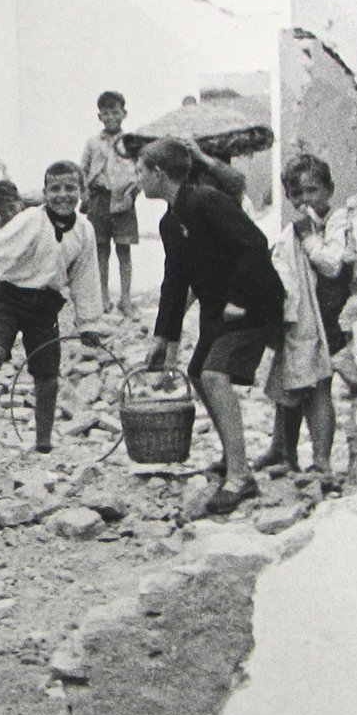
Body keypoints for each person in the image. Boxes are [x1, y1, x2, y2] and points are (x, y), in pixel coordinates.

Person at [138, 137, 286, 516]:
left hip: (251, 304)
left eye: (141, 171)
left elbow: (254, 243)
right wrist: (163, 336)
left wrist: (239, 298)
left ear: (158, 173)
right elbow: (175, 281)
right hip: (220, 311)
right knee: (199, 375)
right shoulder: (171, 221)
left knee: (215, 374)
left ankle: (241, 478)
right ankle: (230, 455)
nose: (138, 179)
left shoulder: (207, 200)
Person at [0, 161, 105, 451]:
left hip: (45, 307)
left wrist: (89, 323)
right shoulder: (31, 219)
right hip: (9, 298)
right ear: (44, 192)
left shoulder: (84, 230)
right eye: (55, 189)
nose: (63, 195)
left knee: (47, 375)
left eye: (70, 188)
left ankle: (43, 440)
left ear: (81, 191)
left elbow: (85, 277)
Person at [255, 155, 355, 492]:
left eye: (312, 190)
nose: (305, 200)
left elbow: (331, 265)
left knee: (317, 386)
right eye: (297, 195)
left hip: (326, 317)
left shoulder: (338, 221)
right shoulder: (297, 227)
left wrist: (309, 237)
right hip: (300, 316)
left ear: (329, 189)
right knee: (289, 379)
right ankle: (283, 452)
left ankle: (322, 460)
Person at [79, 92, 140, 314]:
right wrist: (85, 195)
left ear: (124, 114)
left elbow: (141, 169)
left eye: (115, 112)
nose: (111, 117)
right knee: (101, 249)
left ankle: (126, 299)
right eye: (106, 113)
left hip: (123, 199)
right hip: (99, 199)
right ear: (99, 116)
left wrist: (133, 193)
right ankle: (103, 297)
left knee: (123, 249)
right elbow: (82, 171)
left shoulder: (132, 141)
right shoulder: (93, 143)